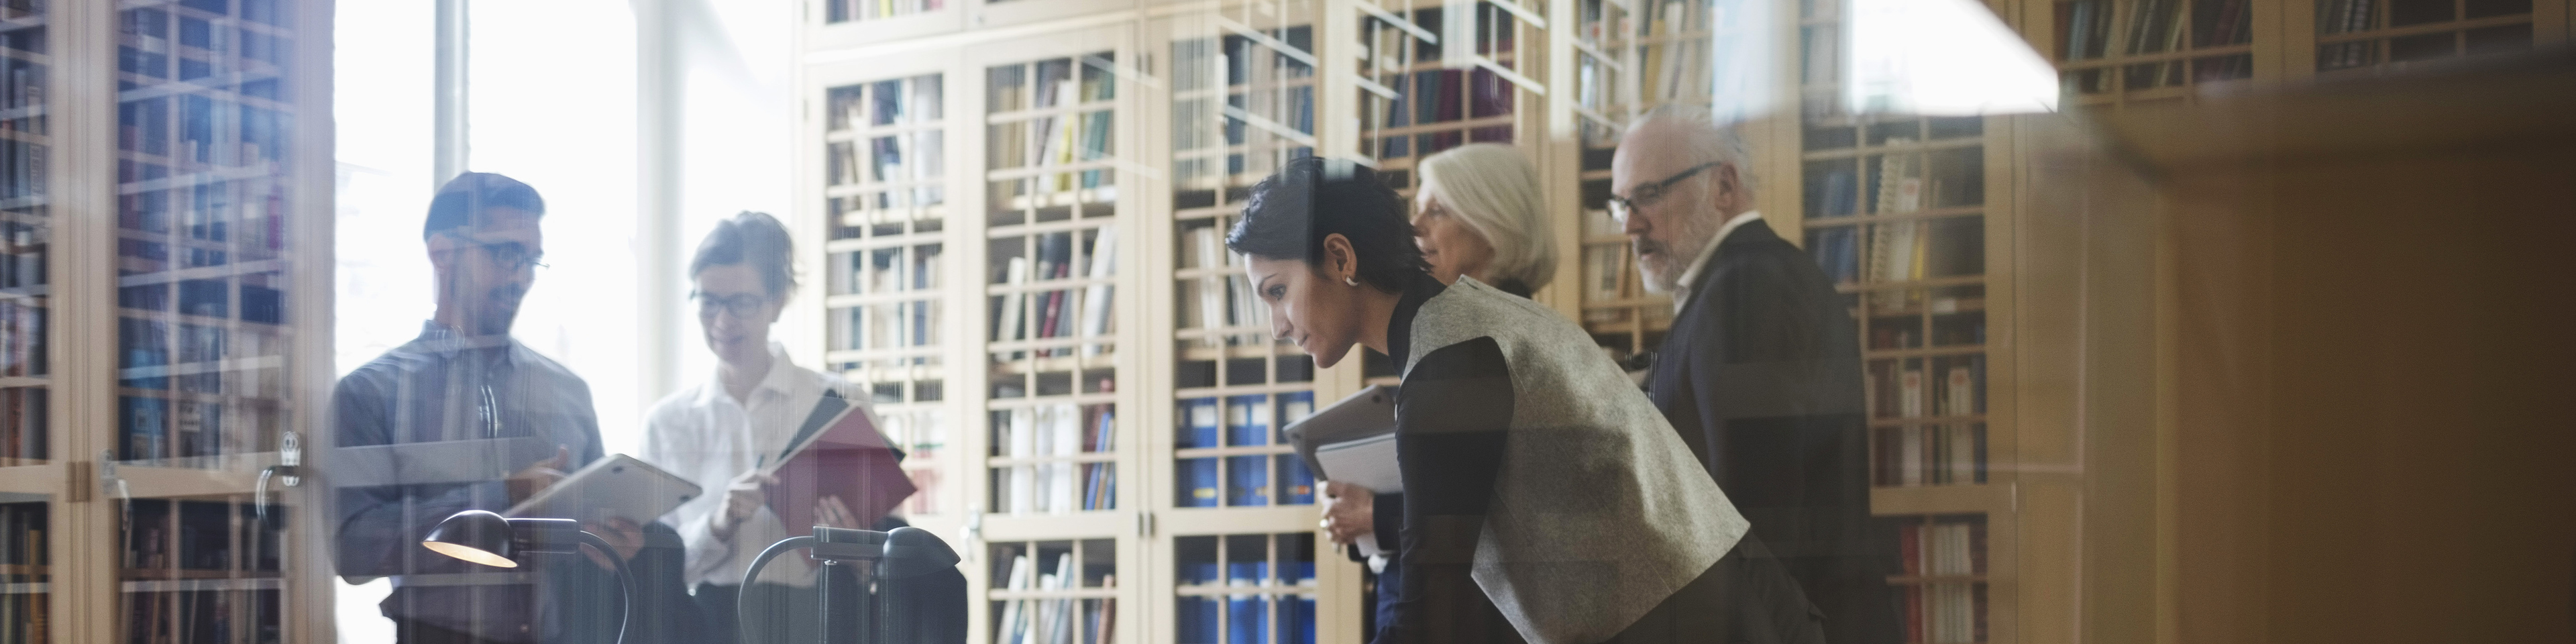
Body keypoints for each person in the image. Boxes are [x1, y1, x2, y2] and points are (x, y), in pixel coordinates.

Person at [1236, 157, 1824, 644]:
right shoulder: (1479, 319)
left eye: (1278, 292)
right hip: (1738, 606)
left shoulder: (1449, 362)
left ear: (1341, 258)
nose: (1276, 327)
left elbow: (1431, 607)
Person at [332, 172, 698, 644]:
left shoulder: (568, 391)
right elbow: (354, 549)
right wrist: (505, 497)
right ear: (442, 252)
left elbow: (591, 527)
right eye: (506, 254)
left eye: (532, 259)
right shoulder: (370, 393)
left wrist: (615, 540)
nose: (523, 277)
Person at [1613, 105, 1902, 644]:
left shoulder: (1747, 292)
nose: (1630, 224)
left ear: (1724, 186)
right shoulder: (1740, 284)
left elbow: (1753, 518)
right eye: (1622, 203)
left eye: (1649, 196)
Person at [1318, 142, 1560, 635]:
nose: (1415, 228)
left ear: (1495, 227)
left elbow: (1514, 513)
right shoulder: (1493, 329)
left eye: (1437, 211)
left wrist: (1377, 512)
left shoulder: (1481, 345)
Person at [637, 212, 898, 644]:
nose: (723, 321)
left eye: (741, 303)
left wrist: (856, 545)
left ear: (777, 301)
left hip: (825, 617)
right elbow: (653, 571)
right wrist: (717, 524)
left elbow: (891, 554)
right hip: (710, 622)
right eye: (708, 301)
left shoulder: (839, 403)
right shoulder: (668, 423)